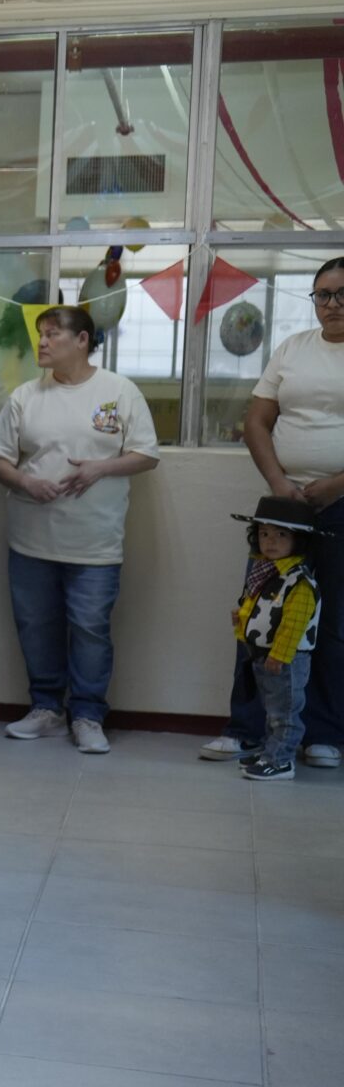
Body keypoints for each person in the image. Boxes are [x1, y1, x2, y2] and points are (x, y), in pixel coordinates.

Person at [0, 305, 159, 754]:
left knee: (90, 628)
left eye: (52, 334)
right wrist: (25, 482)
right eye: (40, 334)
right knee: (35, 626)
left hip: (96, 541)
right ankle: (46, 710)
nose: (41, 342)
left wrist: (100, 468)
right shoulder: (26, 396)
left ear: (82, 340)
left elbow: (146, 454)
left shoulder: (119, 391)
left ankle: (87, 716)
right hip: (31, 539)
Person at [202, 257, 344, 768]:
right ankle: (246, 729)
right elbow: (257, 422)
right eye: (323, 295)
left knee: (331, 623)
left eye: (342, 294)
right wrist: (281, 484)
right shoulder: (292, 349)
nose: (332, 304)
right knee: (258, 616)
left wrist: (334, 486)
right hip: (284, 506)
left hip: (341, 505)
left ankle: (322, 735)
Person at [228, 498, 323, 781]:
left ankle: (281, 761)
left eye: (281, 534)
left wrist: (280, 655)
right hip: (263, 656)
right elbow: (260, 608)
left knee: (285, 712)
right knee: (272, 710)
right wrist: (242, 621)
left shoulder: (299, 582)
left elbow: (293, 625)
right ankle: (270, 751)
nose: (270, 541)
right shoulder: (267, 573)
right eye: (264, 533)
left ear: (299, 541)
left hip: (284, 661)